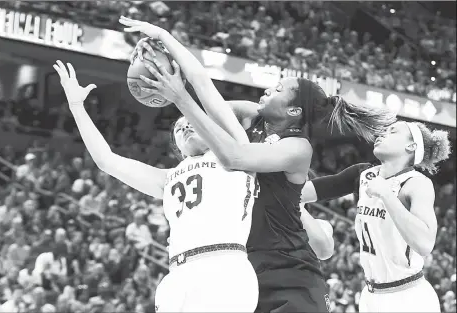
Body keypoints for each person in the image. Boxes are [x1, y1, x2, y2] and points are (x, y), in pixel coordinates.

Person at [119, 16, 395, 312]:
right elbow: (203, 87)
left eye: (277, 90)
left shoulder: (297, 147)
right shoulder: (252, 118)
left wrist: (179, 97)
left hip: (287, 271)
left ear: (293, 110)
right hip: (241, 267)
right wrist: (164, 42)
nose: (267, 90)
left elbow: (234, 157)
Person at [52, 60, 258, 312]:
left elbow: (242, 108)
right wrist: (76, 106)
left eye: (191, 122)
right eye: (179, 129)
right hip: (179, 272)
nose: (185, 127)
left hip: (224, 267)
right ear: (177, 148)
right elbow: (107, 161)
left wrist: (189, 101)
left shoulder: (239, 154)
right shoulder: (167, 178)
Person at [300, 120, 451, 312]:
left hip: (408, 296)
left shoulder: (416, 183)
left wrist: (387, 195)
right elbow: (302, 192)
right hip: (370, 296)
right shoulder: (363, 174)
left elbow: (425, 244)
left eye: (392, 132)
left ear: (411, 146)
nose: (382, 135)